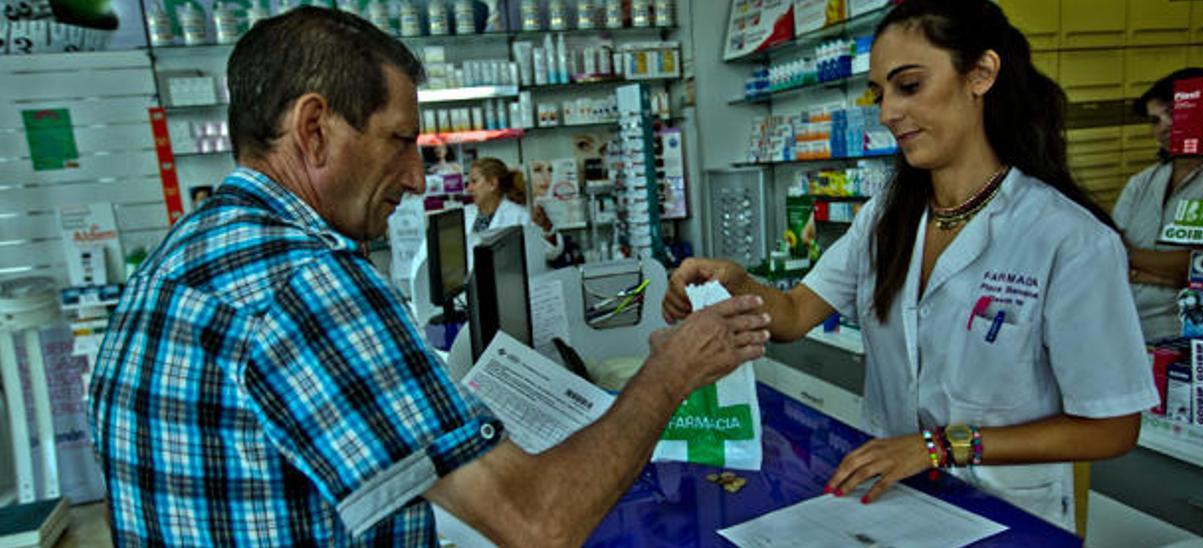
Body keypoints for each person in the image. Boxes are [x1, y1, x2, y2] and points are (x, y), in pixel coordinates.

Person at [87, 7, 771, 545]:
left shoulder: (175, 258)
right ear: (314, 127)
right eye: (399, 140)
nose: (416, 179)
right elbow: (539, 524)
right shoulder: (313, 282)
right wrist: (673, 372)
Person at [662, 0, 1156, 532]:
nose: (887, 112)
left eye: (910, 86)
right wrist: (738, 285)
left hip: (1008, 516)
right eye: (880, 93)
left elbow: (1111, 427)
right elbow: (795, 314)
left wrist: (939, 448)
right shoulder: (887, 215)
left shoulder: (1070, 238)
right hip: (895, 499)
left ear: (981, 74)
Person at [1113, 67, 1203, 341]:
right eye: (1155, 121)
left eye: (1172, 113)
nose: (1164, 127)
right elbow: (1110, 253)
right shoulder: (1141, 183)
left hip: (1189, 334)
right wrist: (1168, 276)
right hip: (1129, 328)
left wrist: (1134, 260)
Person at [464, 156, 566, 263]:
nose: (469, 189)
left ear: (492, 184)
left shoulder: (519, 216)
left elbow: (549, 253)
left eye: (474, 182)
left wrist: (547, 227)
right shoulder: (463, 215)